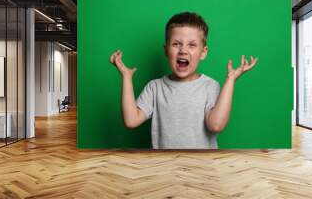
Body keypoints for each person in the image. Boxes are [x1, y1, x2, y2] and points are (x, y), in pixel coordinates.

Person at [110, 12, 258, 149]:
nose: (183, 50)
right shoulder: (155, 87)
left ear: (203, 52)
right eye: (176, 44)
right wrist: (126, 77)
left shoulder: (210, 86)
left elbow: (216, 125)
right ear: (166, 50)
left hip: (200, 169)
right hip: (164, 169)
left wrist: (230, 80)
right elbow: (130, 120)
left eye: (192, 45)